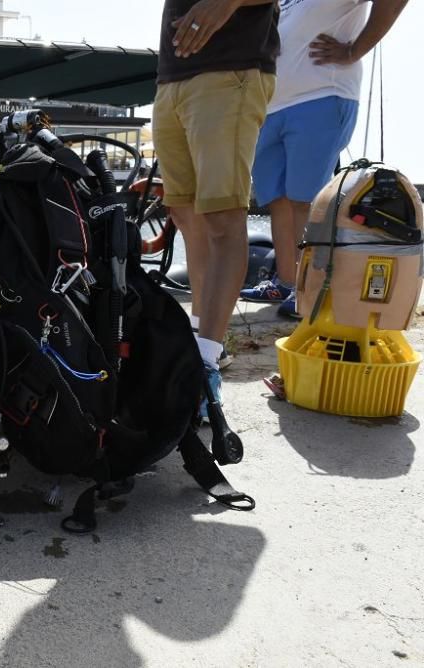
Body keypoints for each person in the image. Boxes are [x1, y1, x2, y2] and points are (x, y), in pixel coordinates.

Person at [151, 0, 280, 416]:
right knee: (187, 217)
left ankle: (205, 367)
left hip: (230, 69)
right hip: (171, 77)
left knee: (223, 220)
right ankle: (199, 345)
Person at [241, 0, 409, 317]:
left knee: (306, 201)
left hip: (321, 98)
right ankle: (287, 283)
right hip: (269, 106)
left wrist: (353, 50)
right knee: (276, 200)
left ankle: (312, 288)